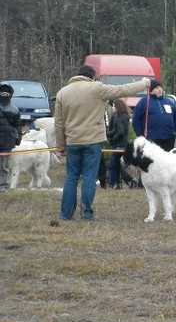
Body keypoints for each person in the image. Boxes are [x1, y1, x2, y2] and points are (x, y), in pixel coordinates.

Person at [55, 65, 150, 221]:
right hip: (93, 141)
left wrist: (61, 146)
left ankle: (66, 215)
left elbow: (58, 123)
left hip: (72, 141)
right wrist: (142, 83)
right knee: (89, 177)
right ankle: (87, 213)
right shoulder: (96, 88)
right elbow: (122, 90)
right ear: (92, 77)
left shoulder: (62, 93)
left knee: (71, 178)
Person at [132, 79, 176, 151]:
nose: (160, 89)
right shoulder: (144, 101)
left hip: (168, 138)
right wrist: (140, 135)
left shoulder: (168, 102)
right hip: (151, 138)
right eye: (157, 88)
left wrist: (175, 130)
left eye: (160, 88)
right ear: (151, 90)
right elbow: (136, 119)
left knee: (166, 159)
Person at [106, 99, 136, 189]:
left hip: (118, 144)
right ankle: (125, 181)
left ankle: (116, 183)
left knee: (113, 165)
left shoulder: (118, 117)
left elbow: (120, 131)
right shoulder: (125, 116)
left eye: (114, 106)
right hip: (124, 143)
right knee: (117, 164)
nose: (113, 108)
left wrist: (112, 138)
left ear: (118, 107)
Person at [0, 84, 22, 193]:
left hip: (7, 142)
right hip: (7, 141)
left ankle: (3, 186)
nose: (4, 96)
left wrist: (18, 138)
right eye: (2, 94)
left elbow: (18, 125)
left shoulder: (14, 109)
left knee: (4, 166)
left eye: (6, 94)